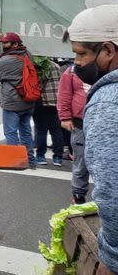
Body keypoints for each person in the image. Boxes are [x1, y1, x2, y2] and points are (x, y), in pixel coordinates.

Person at [64, 4, 118, 275]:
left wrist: (112, 258)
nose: (77, 63)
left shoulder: (108, 102)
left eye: (81, 53)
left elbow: (112, 191)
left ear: (107, 51)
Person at [0, 32, 37, 169]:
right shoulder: (28, 54)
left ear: (15, 44)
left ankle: (14, 161)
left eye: (6, 43)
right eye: (2, 43)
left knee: (10, 132)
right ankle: (31, 161)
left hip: (12, 102)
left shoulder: (7, 60)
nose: (3, 45)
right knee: (26, 131)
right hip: (28, 100)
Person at [58, 63, 91, 203]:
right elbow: (64, 94)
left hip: (107, 123)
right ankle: (78, 197)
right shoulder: (71, 71)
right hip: (80, 123)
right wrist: (65, 117)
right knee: (81, 163)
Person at [32, 56, 64, 167]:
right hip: (56, 102)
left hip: (41, 102)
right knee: (56, 131)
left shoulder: (38, 67)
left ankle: (41, 156)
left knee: (41, 130)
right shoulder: (56, 66)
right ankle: (58, 158)